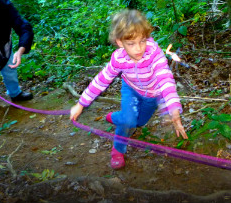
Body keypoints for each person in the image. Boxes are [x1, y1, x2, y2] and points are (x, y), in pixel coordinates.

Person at [69, 9, 188, 169]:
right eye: (131, 44)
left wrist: (173, 109)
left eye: (142, 41)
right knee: (129, 121)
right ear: (120, 42)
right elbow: (102, 80)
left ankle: (116, 117)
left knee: (140, 122)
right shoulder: (118, 59)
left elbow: (165, 79)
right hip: (130, 90)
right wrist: (81, 104)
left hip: (152, 95)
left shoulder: (154, 54)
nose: (139, 48)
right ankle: (118, 150)